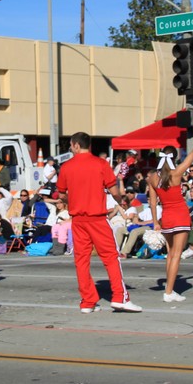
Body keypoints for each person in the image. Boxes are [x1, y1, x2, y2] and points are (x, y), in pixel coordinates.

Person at [56, 132, 139, 314]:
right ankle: (119, 297)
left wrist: (74, 200)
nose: (70, 148)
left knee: (81, 260)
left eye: (71, 145)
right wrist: (121, 201)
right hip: (97, 218)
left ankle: (88, 301)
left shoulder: (66, 167)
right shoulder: (101, 164)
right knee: (111, 257)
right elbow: (114, 191)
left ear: (76, 145)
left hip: (78, 219)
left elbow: (61, 194)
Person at [147, 134, 193, 302]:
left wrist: (155, 222)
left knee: (170, 254)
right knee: (176, 255)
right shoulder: (177, 172)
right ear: (174, 158)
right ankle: (168, 292)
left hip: (166, 216)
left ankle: (169, 288)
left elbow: (152, 203)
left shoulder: (152, 178)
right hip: (180, 215)